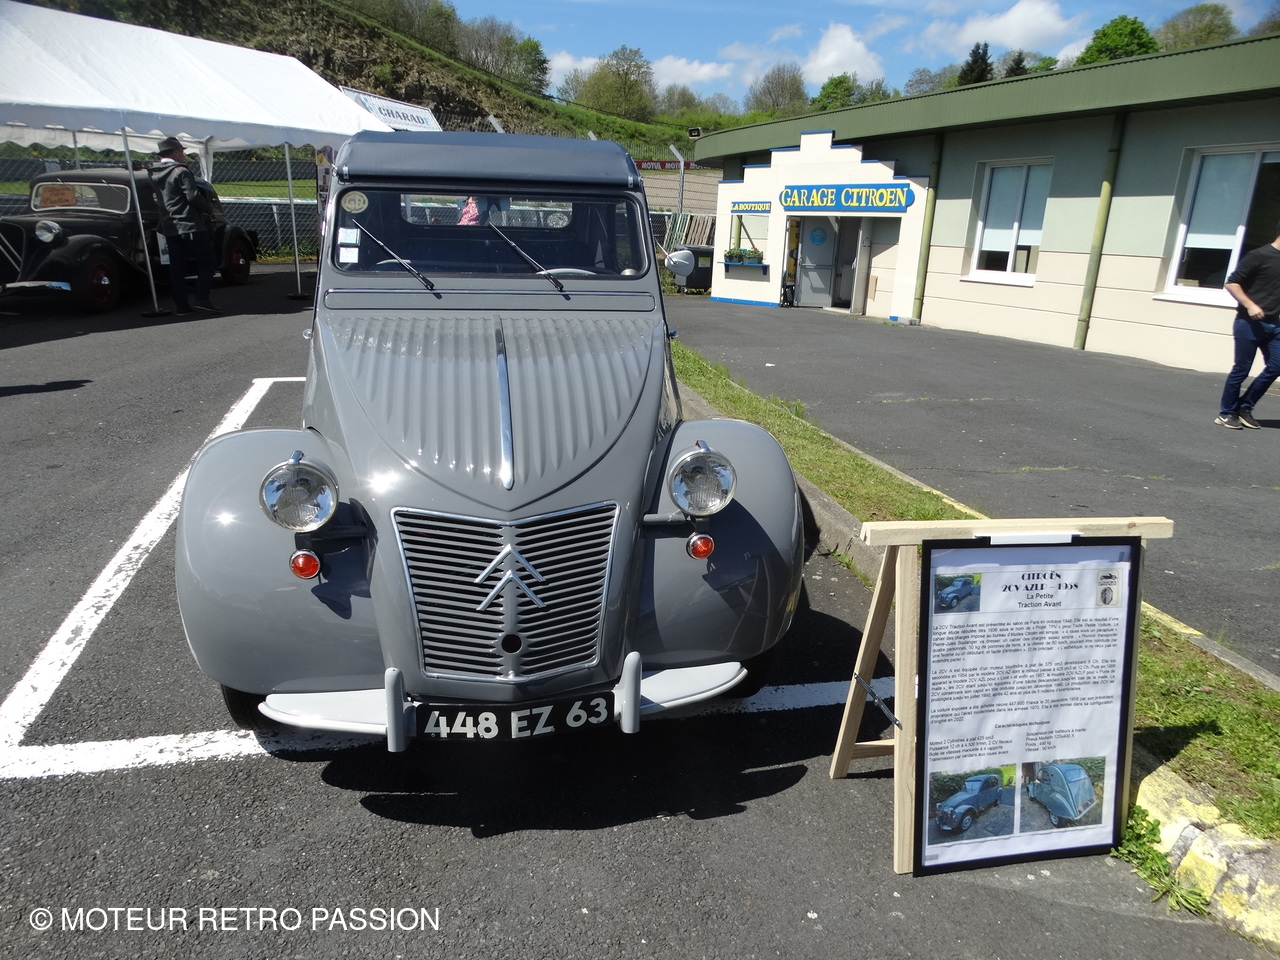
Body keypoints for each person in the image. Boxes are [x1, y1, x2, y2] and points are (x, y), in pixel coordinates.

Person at [1216, 222, 1280, 429]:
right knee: (1241, 370)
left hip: (1274, 324)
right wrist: (1250, 305)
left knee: (1277, 366)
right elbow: (1231, 283)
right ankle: (1226, 413)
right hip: (1248, 323)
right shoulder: (1259, 255)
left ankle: (1244, 407)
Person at [149, 136, 218, 315]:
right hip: (189, 223)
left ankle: (182, 306)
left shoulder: (154, 173)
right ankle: (202, 298)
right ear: (174, 152)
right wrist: (208, 208)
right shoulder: (180, 171)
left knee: (177, 268)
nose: (183, 155)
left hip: (169, 225)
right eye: (181, 151)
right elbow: (192, 196)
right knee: (208, 261)